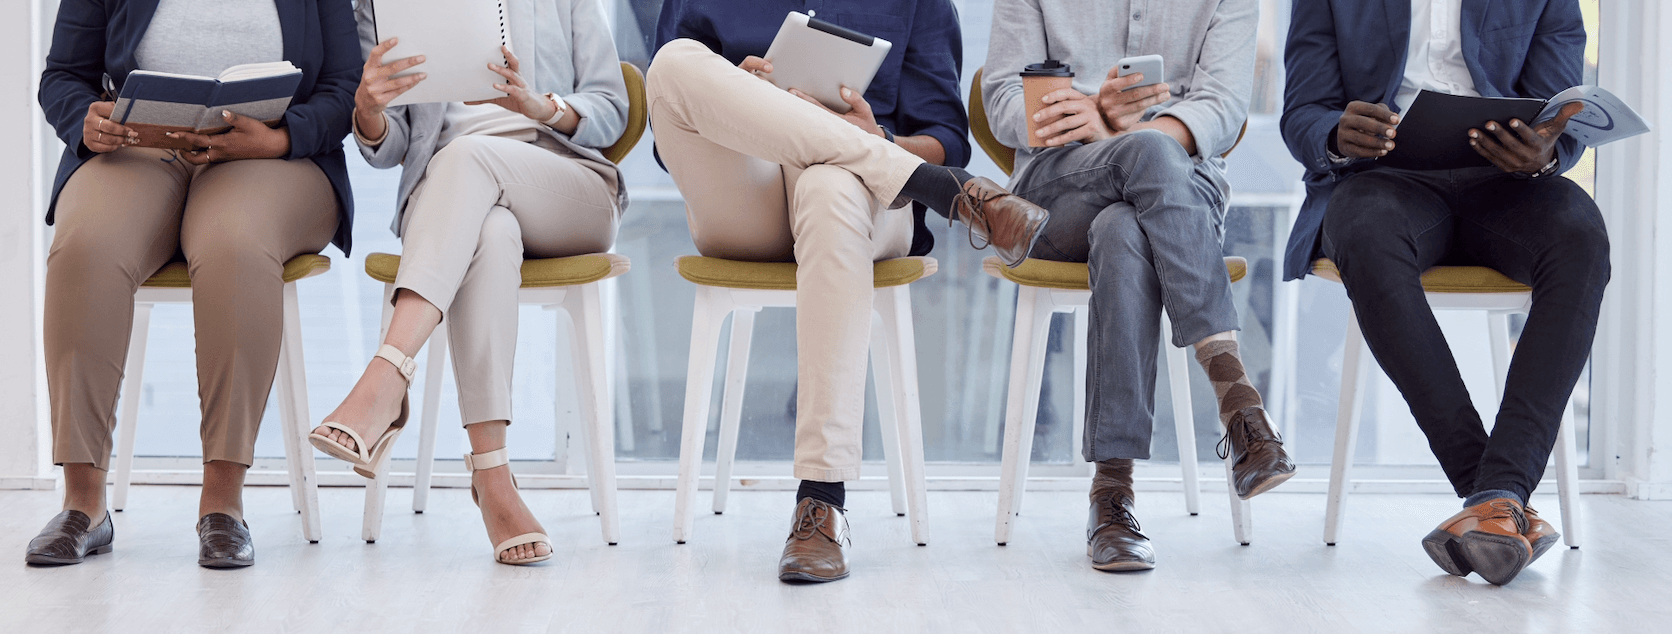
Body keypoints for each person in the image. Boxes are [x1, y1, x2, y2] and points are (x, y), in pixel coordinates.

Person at [650, 0, 1051, 583]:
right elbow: (671, 132)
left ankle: (821, 501)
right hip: (744, 196)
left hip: (860, 203)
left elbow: (946, 137)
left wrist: (877, 137)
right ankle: (943, 192)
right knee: (672, 64)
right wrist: (744, 103)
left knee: (831, 185)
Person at [1281, 0, 1604, 585]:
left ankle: (1494, 500)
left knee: (1581, 236)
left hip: (1506, 183)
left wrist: (1545, 152)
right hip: (1383, 180)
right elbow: (1302, 111)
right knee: (1364, 232)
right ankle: (1497, 498)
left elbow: (1562, 111)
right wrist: (1334, 132)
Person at [26, 0, 358, 569]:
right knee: (88, 248)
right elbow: (62, 76)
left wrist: (280, 139)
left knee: (234, 245)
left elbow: (344, 85)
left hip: (272, 155)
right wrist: (85, 116)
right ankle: (83, 504)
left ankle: (222, 504)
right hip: (139, 147)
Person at [309, 0, 630, 566]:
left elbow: (614, 110)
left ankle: (386, 377)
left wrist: (543, 106)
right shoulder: (384, 9)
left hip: (568, 185)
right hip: (455, 208)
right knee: (493, 227)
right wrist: (368, 110)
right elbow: (390, 147)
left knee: (469, 157)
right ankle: (494, 477)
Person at [983, 0, 1294, 573]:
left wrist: (1134, 131)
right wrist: (1087, 118)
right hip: (1058, 189)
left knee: (1124, 228)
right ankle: (1237, 398)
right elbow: (1000, 96)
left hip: (1182, 188)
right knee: (1146, 156)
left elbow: (1224, 106)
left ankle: (1112, 497)